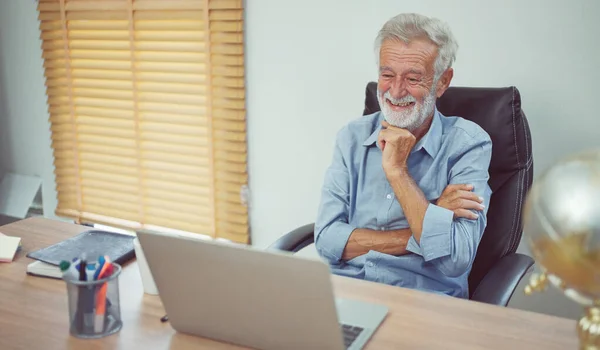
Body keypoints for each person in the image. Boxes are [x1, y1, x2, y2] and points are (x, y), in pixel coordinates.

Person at [314, 13, 493, 298]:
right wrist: (429, 222)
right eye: (387, 75)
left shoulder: (469, 145)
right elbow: (326, 240)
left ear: (442, 81)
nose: (396, 91)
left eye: (413, 78)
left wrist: (397, 171)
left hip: (423, 301)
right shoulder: (351, 137)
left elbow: (454, 259)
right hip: (346, 292)